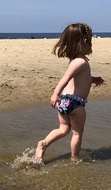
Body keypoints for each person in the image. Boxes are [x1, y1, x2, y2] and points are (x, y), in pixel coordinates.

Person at [35, 23, 104, 164]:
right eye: (90, 42)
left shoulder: (75, 61)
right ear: (85, 42)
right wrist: (55, 93)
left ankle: (44, 143)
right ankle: (75, 159)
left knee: (63, 129)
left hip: (64, 102)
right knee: (77, 133)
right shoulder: (80, 62)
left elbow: (79, 80)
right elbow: (65, 79)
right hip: (76, 103)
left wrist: (93, 79)